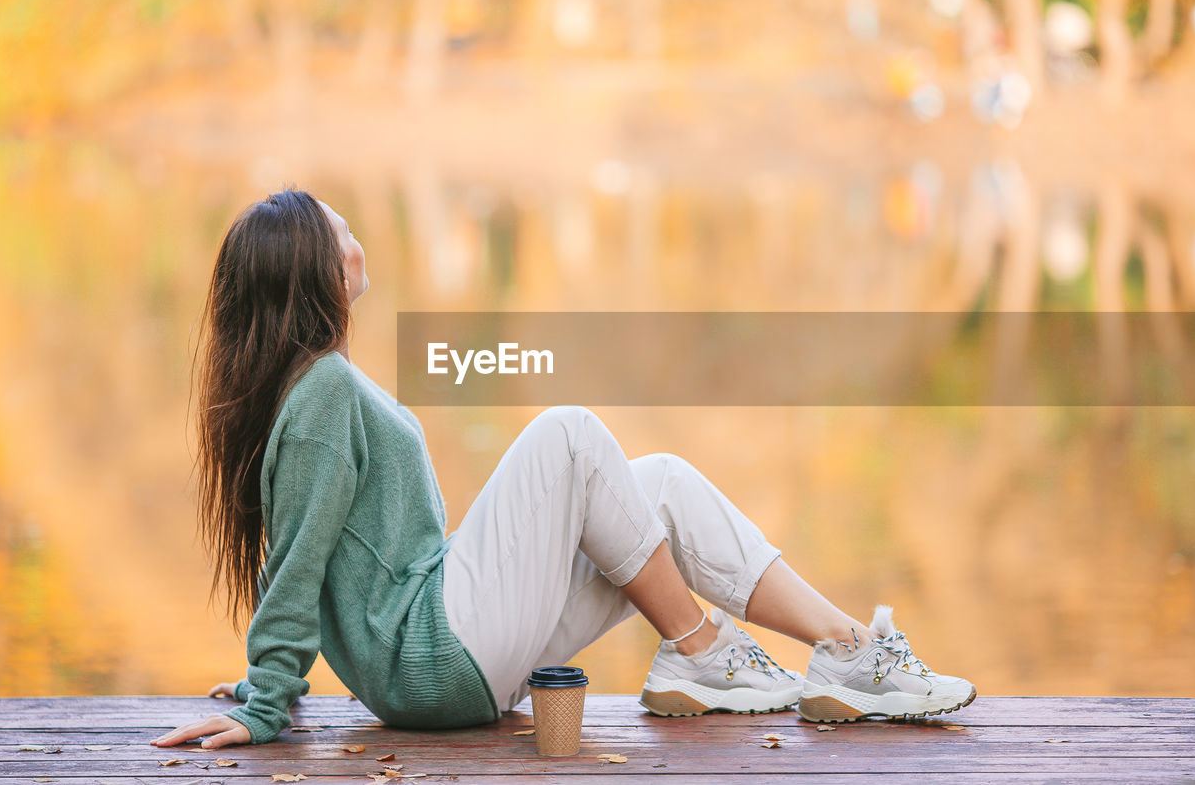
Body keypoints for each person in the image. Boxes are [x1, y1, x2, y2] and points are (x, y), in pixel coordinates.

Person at [151, 189, 976, 750]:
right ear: (308, 267)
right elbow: (296, 552)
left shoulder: (315, 386)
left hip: (446, 648)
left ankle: (849, 650)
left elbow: (306, 547)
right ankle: (696, 645)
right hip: (432, 656)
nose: (350, 232)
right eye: (334, 227)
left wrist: (271, 681)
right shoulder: (322, 390)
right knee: (571, 432)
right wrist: (267, 698)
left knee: (657, 481)